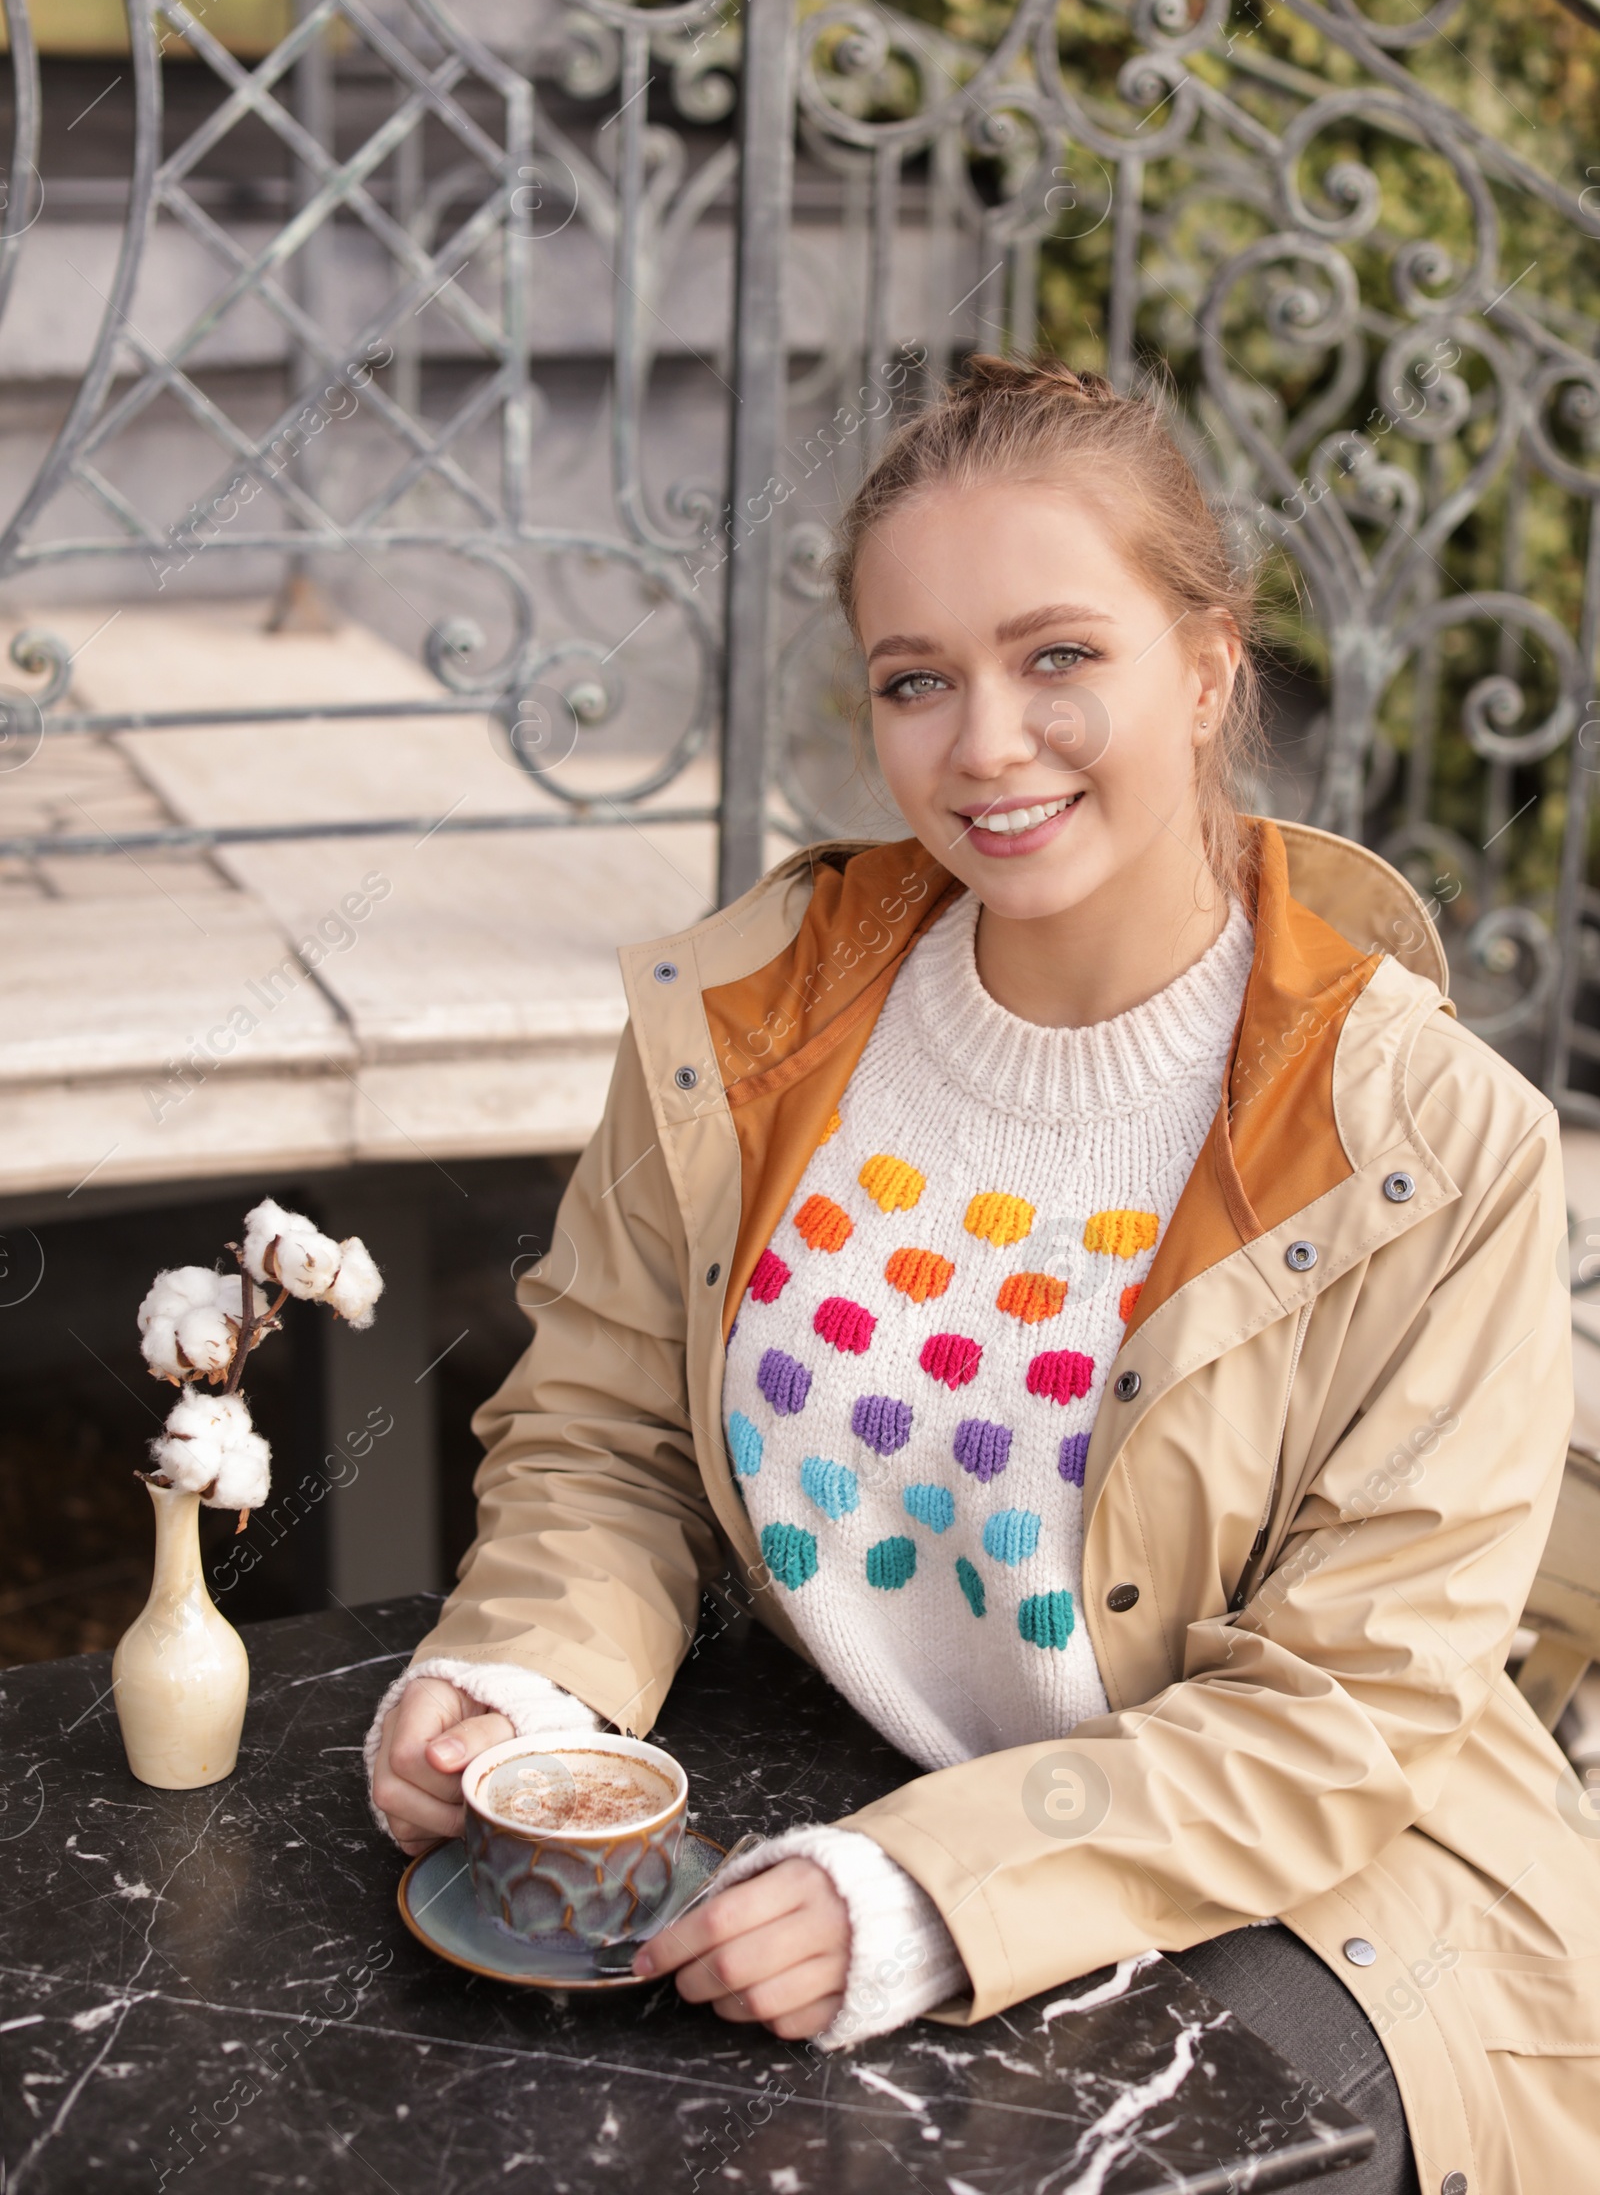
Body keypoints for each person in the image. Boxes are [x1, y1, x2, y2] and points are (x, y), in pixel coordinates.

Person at [367, 358, 1600, 2192]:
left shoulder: (1436, 1143)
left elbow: (1346, 1717)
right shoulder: (742, 1024)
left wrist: (939, 1888)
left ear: (1204, 664)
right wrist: (532, 1686)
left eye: (1059, 658)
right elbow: (603, 1439)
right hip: (836, 1803)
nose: (986, 746)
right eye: (916, 680)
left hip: (1336, 1902)